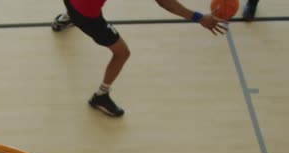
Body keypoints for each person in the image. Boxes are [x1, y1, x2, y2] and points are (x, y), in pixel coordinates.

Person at [51, 0, 228, 117]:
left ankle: (66, 18)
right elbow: (167, 3)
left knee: (79, 7)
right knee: (122, 53)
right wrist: (199, 18)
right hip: (87, 16)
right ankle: (101, 96)